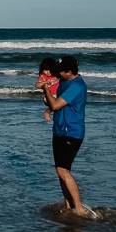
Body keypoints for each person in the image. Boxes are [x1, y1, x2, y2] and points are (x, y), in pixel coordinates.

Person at [42, 55, 97, 218]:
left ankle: (79, 208)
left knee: (62, 171)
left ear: (69, 71)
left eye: (61, 71)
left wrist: (46, 90)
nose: (57, 73)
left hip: (72, 132)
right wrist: (48, 107)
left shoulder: (77, 86)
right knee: (61, 171)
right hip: (59, 130)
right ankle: (68, 205)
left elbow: (56, 103)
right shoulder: (64, 81)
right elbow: (54, 103)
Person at [35, 57, 60, 123]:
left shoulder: (56, 75)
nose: (48, 72)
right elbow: (37, 85)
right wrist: (44, 82)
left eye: (50, 70)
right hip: (49, 95)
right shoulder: (43, 77)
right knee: (56, 105)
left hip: (57, 93)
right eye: (46, 70)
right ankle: (47, 112)